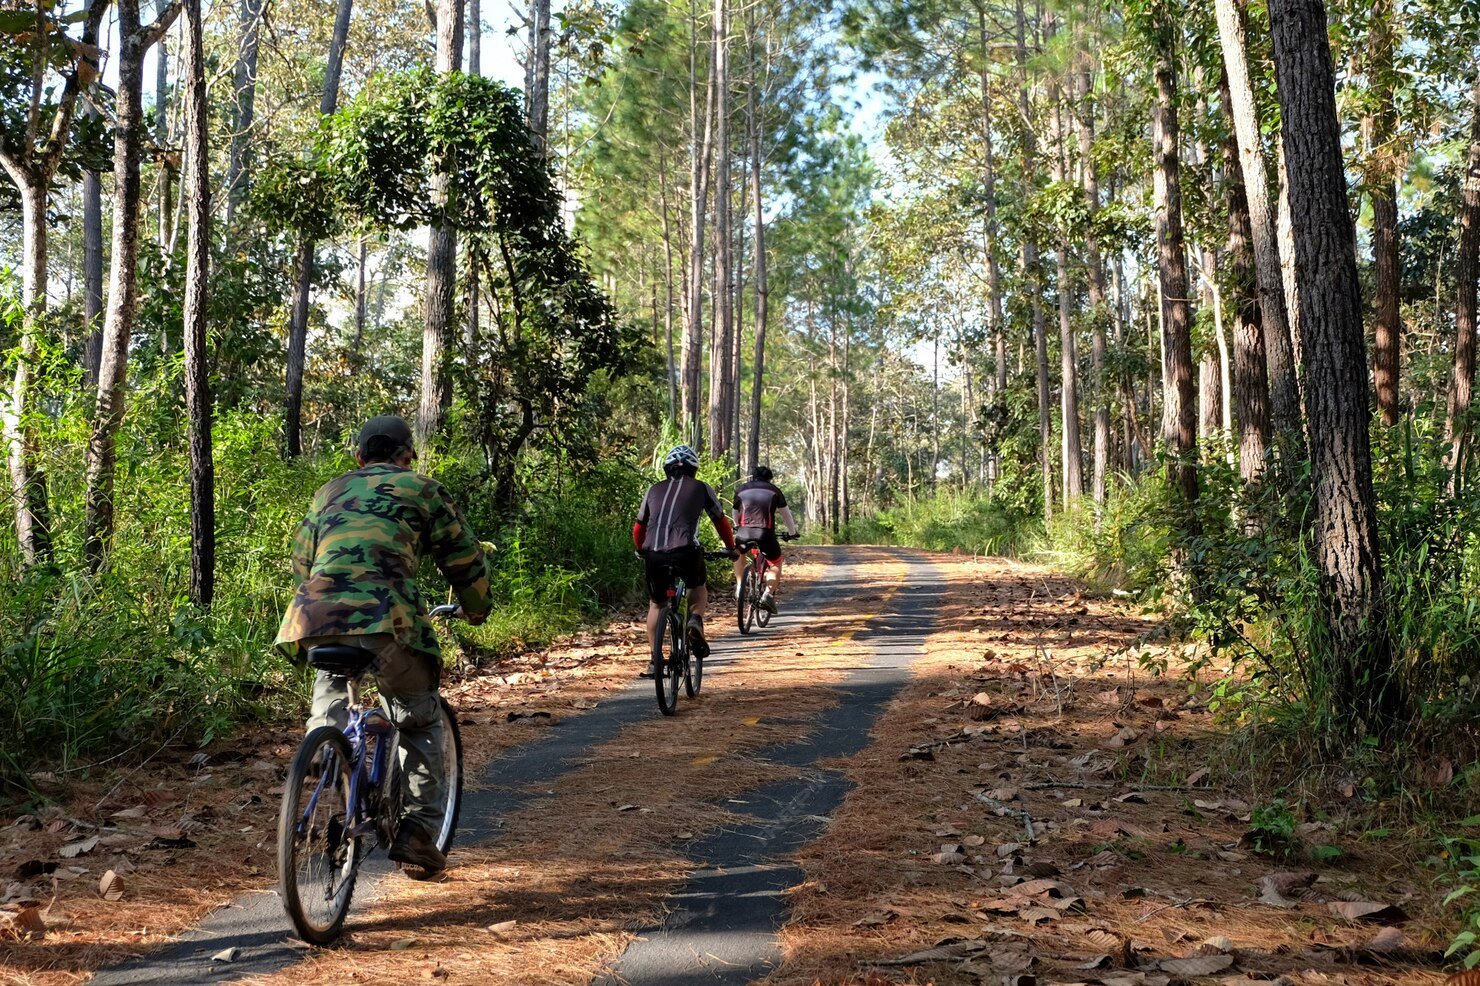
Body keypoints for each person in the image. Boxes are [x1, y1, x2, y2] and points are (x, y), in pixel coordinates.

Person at [275, 415, 492, 875]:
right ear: (406, 456)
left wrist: (321, 603)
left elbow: (301, 559)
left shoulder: (328, 492)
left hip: (313, 614)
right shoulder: (423, 489)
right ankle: (417, 831)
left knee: (333, 675)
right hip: (387, 617)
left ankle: (325, 745)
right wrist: (476, 608)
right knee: (418, 717)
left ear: (358, 456)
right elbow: (464, 561)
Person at [633, 444, 737, 676]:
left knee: (656, 604)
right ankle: (695, 620)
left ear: (667, 469)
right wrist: (730, 548)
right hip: (686, 549)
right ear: (694, 470)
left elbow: (639, 528)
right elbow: (720, 521)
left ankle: (654, 662)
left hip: (654, 553)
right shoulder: (701, 488)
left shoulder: (653, 490)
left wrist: (641, 550)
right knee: (697, 587)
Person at [731, 465, 799, 614]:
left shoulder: (741, 489)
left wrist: (736, 526)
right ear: (769, 479)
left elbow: (735, 510)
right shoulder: (774, 490)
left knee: (738, 554)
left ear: (753, 477)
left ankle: (739, 586)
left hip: (744, 533)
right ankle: (767, 594)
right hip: (765, 533)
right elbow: (786, 514)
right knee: (775, 562)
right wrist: (792, 533)